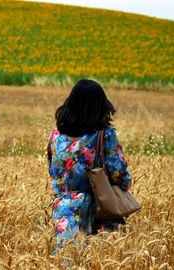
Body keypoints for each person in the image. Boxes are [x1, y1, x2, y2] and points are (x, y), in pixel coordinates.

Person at [47, 79, 131, 255]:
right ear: (100, 106)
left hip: (63, 208)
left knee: (67, 260)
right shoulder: (105, 135)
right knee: (99, 261)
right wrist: (124, 185)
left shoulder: (55, 136)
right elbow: (119, 174)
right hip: (96, 210)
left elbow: (53, 171)